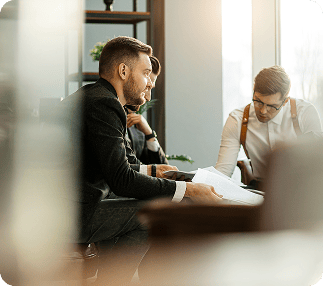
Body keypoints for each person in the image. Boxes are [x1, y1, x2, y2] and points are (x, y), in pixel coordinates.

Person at [51, 36, 222, 285]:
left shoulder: (95, 95)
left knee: (145, 201)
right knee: (156, 213)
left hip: (67, 207)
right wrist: (189, 189)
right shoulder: (104, 104)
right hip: (68, 215)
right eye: (146, 73)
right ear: (123, 71)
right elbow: (121, 179)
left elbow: (111, 166)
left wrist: (152, 169)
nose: (149, 82)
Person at [215, 65, 322, 187]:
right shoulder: (237, 119)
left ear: (285, 101)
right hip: (259, 191)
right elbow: (223, 172)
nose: (263, 111)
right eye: (258, 101)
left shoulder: (305, 113)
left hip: (299, 189)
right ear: (253, 91)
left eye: (272, 106)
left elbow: (317, 166)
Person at [125, 55, 168, 165]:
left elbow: (162, 168)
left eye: (150, 89)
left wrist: (149, 134)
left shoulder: (137, 131)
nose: (148, 97)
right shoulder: (105, 117)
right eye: (146, 87)